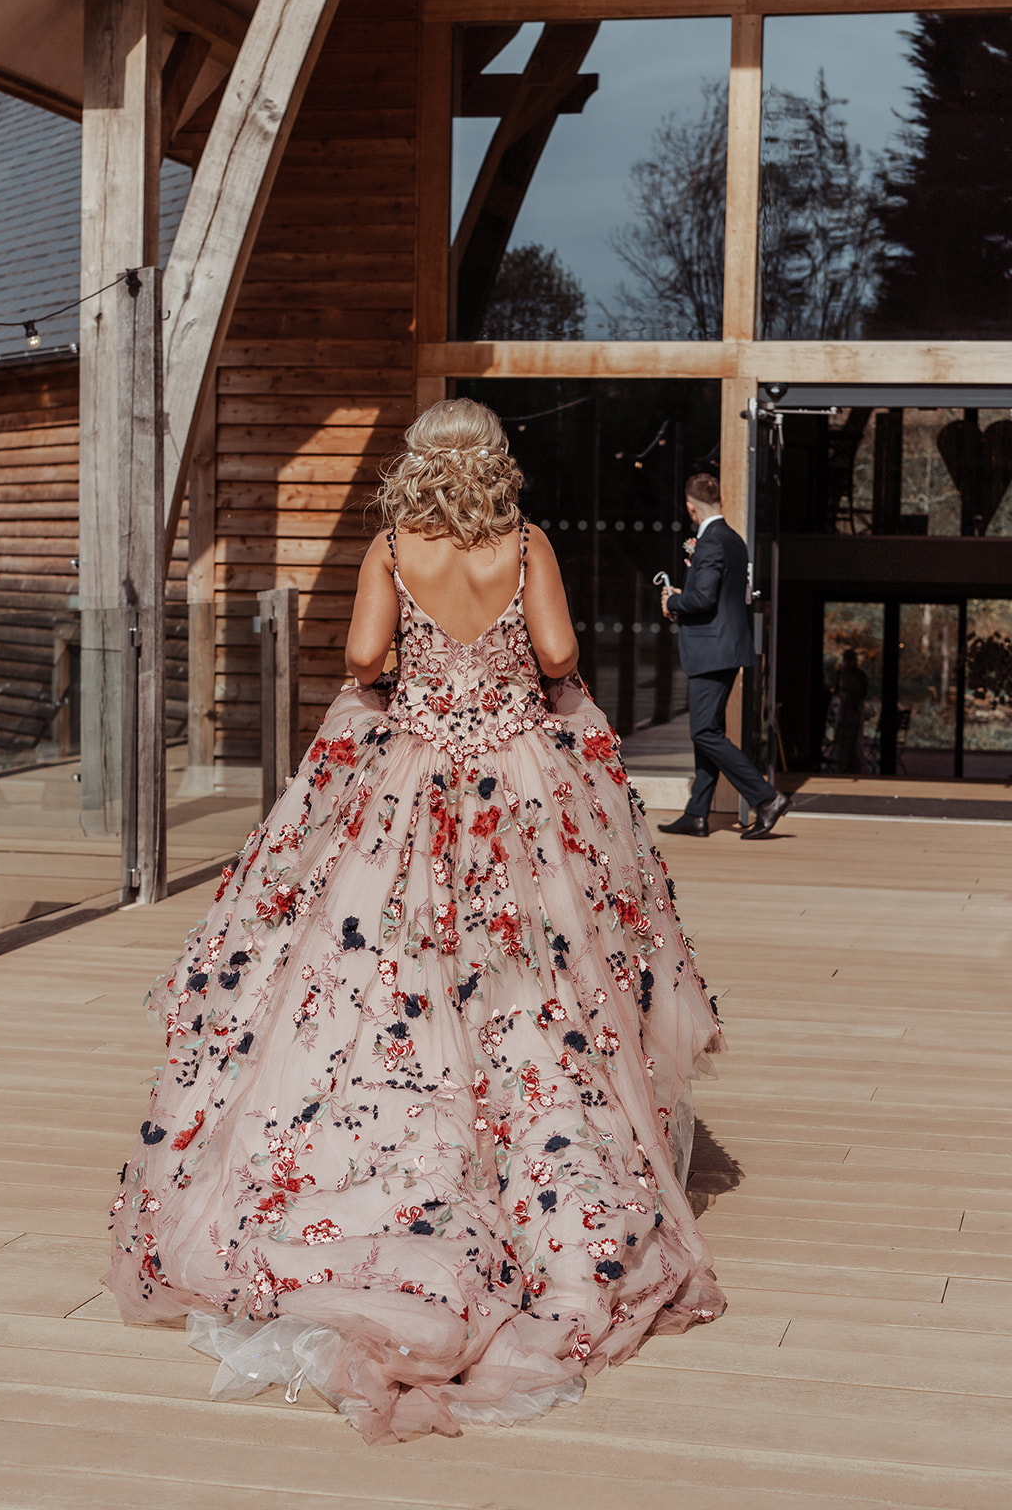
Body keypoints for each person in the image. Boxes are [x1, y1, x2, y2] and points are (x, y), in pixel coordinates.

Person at [107, 399, 725, 1445]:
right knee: (536, 979)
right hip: (515, 782)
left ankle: (400, 1150)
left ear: (415, 465)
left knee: (379, 969)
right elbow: (560, 650)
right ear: (492, 465)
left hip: (409, 780)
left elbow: (358, 660)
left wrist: (417, 664)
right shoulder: (523, 541)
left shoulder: (392, 545)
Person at [658, 473, 791, 841]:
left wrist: (673, 602)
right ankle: (697, 814)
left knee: (704, 731)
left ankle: (766, 798)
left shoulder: (711, 542)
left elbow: (703, 599)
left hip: (712, 649)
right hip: (723, 646)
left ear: (690, 506)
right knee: (708, 731)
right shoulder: (733, 540)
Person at [831, 648, 868, 773]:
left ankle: (853, 765)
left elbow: (863, 693)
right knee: (842, 739)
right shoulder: (840, 673)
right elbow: (836, 690)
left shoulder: (859, 675)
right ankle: (842, 764)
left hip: (854, 711)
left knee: (853, 739)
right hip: (843, 711)